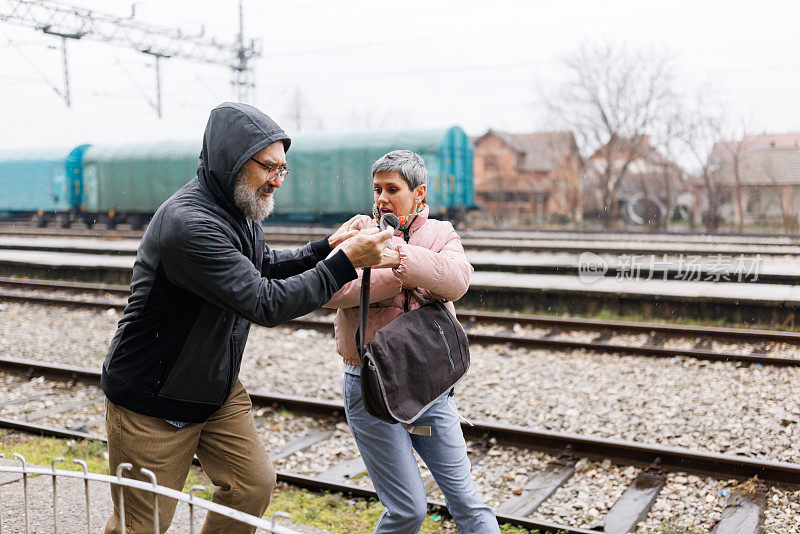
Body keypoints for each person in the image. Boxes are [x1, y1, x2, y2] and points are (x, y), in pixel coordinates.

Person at [100, 102, 392, 534]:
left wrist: (326, 247)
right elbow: (264, 301)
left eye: (283, 169)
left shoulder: (238, 208)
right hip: (152, 397)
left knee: (252, 487)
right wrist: (344, 264)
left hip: (213, 387)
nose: (277, 180)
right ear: (232, 162)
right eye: (269, 167)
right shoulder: (190, 224)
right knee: (141, 526)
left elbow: (262, 264)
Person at [324, 150, 500, 533]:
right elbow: (331, 292)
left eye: (392, 189)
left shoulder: (442, 233)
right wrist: (406, 272)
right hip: (369, 383)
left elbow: (456, 281)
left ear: (419, 192)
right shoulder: (357, 235)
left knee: (468, 502)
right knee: (407, 510)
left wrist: (394, 256)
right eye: (377, 189)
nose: (381, 199)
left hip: (430, 380)